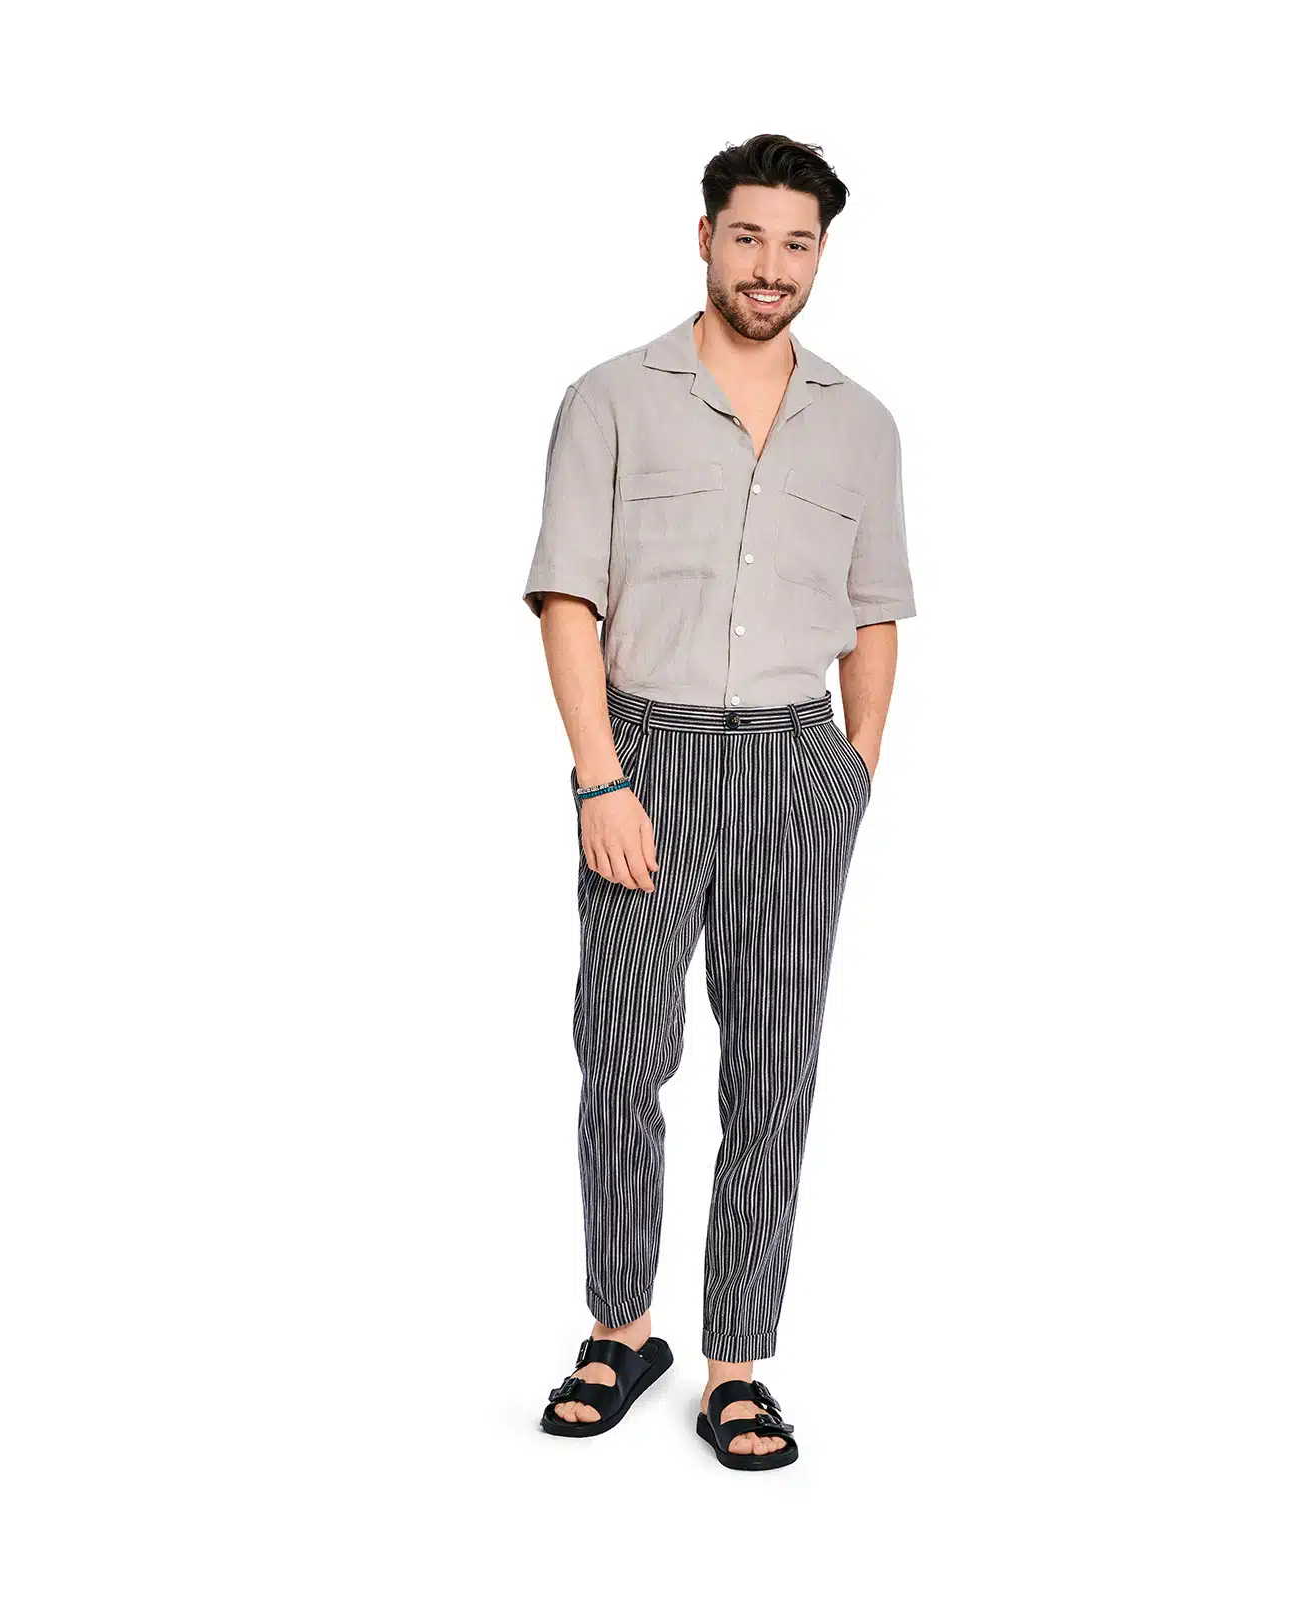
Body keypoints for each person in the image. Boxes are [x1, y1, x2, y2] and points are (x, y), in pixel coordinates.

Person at [522, 133, 916, 1471]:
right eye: (749, 236)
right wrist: (601, 775)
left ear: (821, 254)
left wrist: (854, 770)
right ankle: (620, 1331)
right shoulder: (610, 398)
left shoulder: (861, 423)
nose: (771, 266)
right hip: (650, 752)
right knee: (623, 1055)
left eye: (798, 243)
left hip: (797, 768)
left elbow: (875, 610)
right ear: (704, 238)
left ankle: (737, 1364)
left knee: (774, 1069)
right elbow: (568, 598)